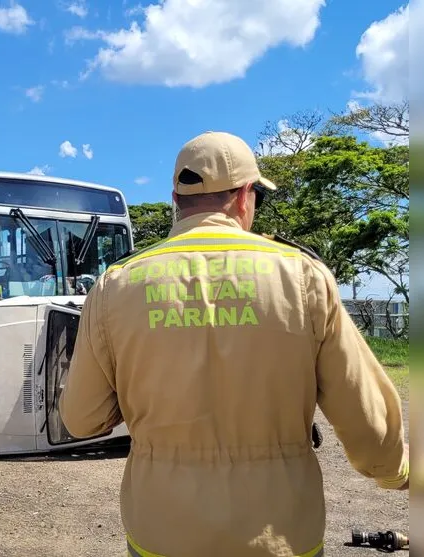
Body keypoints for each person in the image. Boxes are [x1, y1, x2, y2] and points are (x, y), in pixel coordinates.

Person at [58, 130, 409, 557]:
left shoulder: (116, 285)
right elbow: (367, 421)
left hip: (162, 532)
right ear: (246, 196)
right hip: (280, 534)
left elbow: (81, 419)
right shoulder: (302, 277)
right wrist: (394, 473)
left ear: (175, 198)